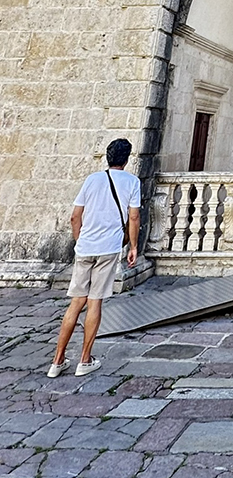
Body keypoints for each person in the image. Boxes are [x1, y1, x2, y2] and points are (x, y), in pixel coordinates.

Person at [47, 138, 140, 378]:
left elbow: (75, 216)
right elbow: (134, 218)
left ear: (107, 157)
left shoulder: (92, 180)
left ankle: (57, 361)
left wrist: (79, 242)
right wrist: (133, 246)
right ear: (127, 159)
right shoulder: (132, 182)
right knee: (95, 302)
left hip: (85, 247)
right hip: (108, 248)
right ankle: (84, 360)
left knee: (76, 302)